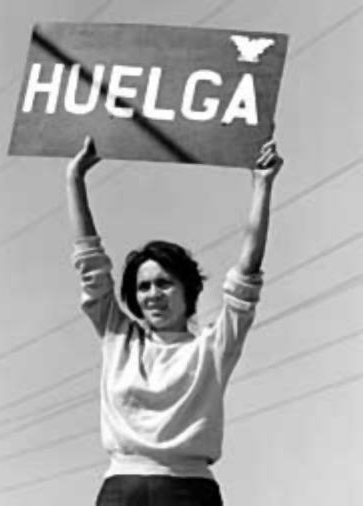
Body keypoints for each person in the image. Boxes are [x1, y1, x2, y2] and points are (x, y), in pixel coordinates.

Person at [66, 135, 283, 506]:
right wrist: (75, 179)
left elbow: (247, 274)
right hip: (122, 490)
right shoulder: (119, 337)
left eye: (164, 283)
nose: (153, 294)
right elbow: (91, 264)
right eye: (143, 286)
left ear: (188, 289)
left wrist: (262, 185)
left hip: (189, 491)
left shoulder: (213, 347)